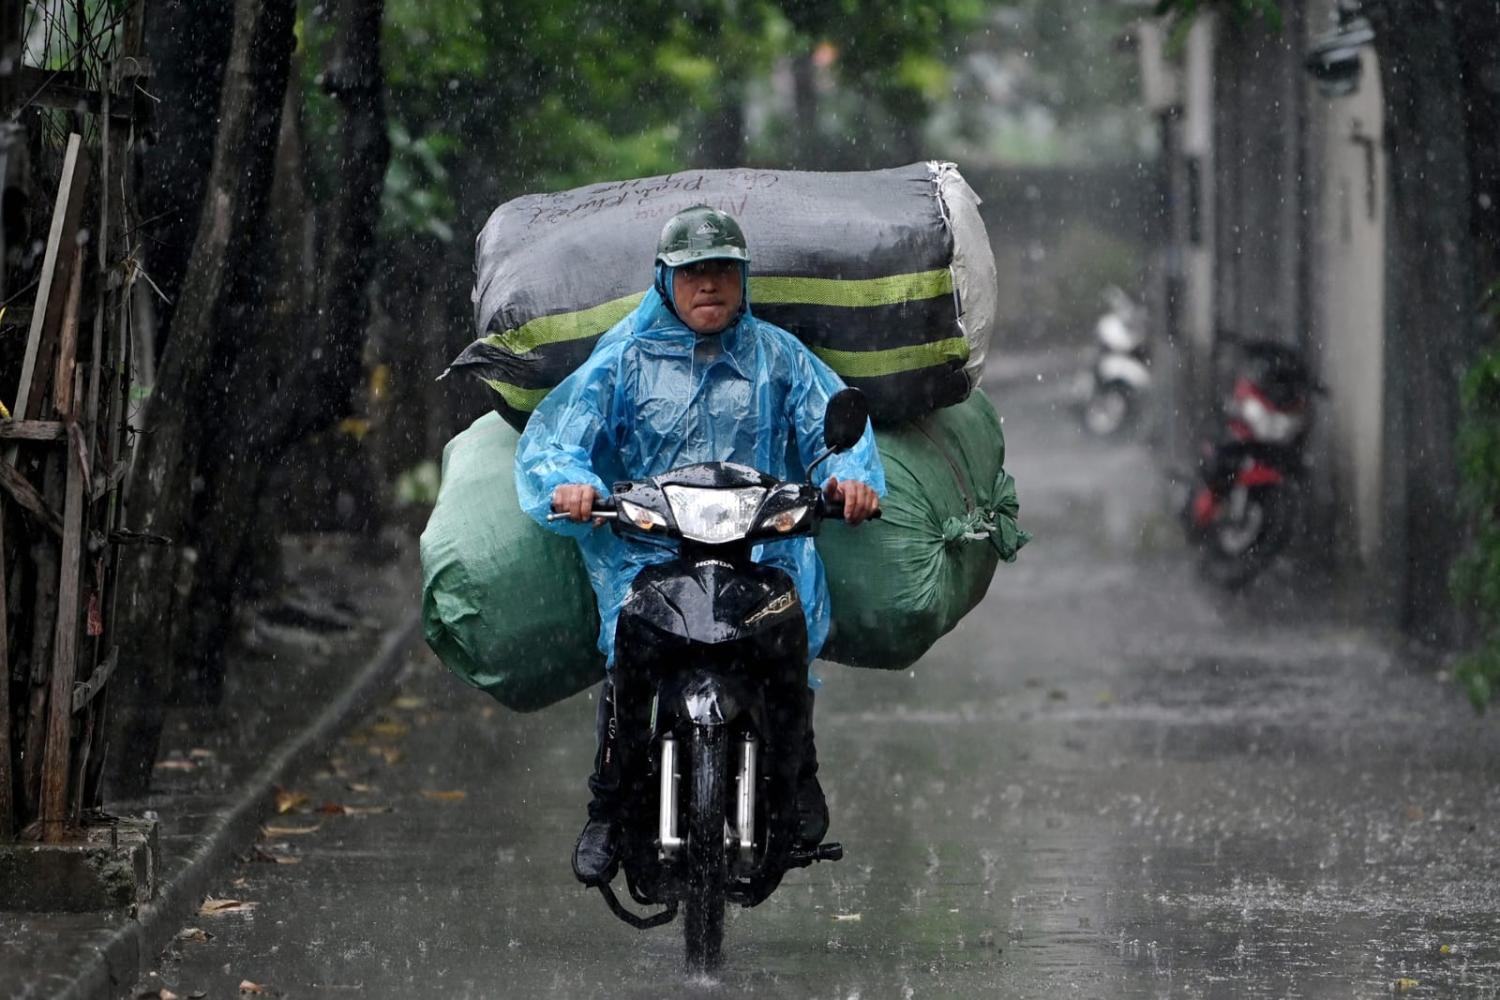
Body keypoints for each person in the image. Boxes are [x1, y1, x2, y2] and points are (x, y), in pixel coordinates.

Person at [515, 205, 885, 886]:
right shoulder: (623, 357)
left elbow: (834, 432)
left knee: (783, 647)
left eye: (721, 269)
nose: (707, 284)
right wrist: (569, 483)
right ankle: (607, 805)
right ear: (664, 280)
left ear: (743, 279)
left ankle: (798, 776)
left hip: (762, 550)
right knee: (633, 656)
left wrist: (850, 480)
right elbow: (561, 435)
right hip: (649, 551)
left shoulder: (779, 356)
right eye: (692, 272)